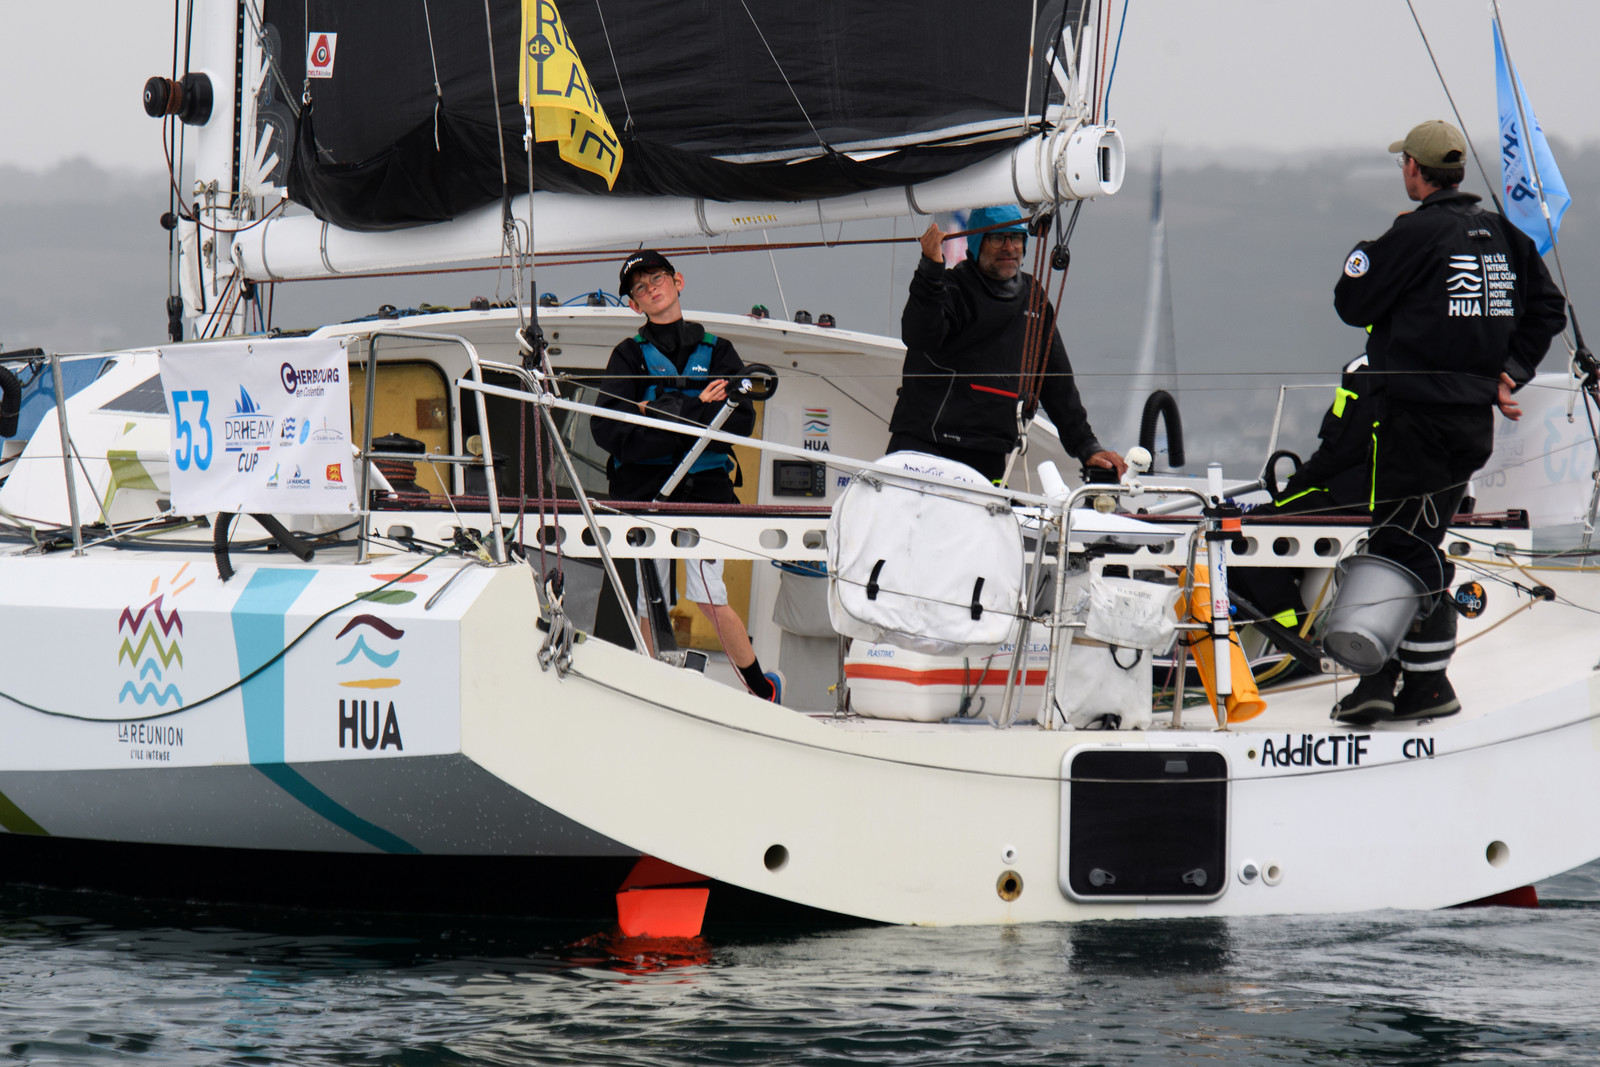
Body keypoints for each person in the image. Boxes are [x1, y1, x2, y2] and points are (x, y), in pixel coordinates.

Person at [1330, 120, 1566, 724]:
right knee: (1417, 539)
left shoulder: (1417, 234)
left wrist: (1374, 254)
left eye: (1403, 164)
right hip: (1469, 425)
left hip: (1414, 420)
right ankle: (1400, 679)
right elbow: (1548, 308)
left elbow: (1350, 303)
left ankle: (1412, 682)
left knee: (1397, 545)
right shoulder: (1504, 235)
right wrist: (1510, 370)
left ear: (1414, 168)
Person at [590, 250, 783, 703]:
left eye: (656, 278)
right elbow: (609, 430)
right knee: (646, 598)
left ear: (678, 281)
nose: (651, 288)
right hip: (646, 493)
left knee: (708, 595)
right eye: (640, 287)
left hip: (704, 490)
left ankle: (763, 691)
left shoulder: (719, 351)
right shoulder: (627, 356)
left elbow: (739, 421)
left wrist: (654, 414)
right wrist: (698, 407)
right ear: (635, 305)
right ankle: (648, 691)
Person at [888, 204, 1126, 483]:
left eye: (1016, 238)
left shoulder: (1034, 297)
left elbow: (1055, 383)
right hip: (925, 444)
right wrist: (930, 269)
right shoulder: (950, 288)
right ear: (977, 243)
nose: (1009, 247)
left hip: (988, 451)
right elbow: (919, 336)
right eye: (998, 238)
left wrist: (1087, 446)